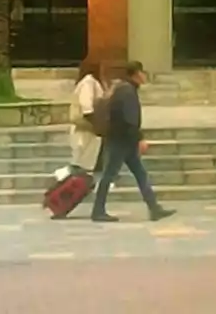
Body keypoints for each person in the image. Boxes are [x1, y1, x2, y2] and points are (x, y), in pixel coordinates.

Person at [89, 60, 175, 223]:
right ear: (135, 74)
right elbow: (130, 120)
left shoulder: (123, 88)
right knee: (109, 175)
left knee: (140, 173)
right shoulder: (127, 91)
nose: (144, 76)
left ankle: (154, 208)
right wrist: (140, 139)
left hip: (123, 140)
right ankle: (98, 210)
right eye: (142, 73)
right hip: (120, 140)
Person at [70, 57, 105, 173]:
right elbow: (86, 104)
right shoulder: (89, 82)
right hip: (87, 127)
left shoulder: (89, 82)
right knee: (86, 160)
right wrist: (95, 122)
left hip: (88, 128)